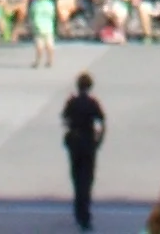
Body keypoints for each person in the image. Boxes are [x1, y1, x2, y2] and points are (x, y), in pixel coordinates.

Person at [61, 72, 105, 230]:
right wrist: (99, 140)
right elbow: (101, 122)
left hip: (75, 142)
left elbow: (65, 120)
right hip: (88, 142)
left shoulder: (71, 102)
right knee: (87, 179)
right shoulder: (93, 103)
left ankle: (78, 210)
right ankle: (84, 214)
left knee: (76, 176)